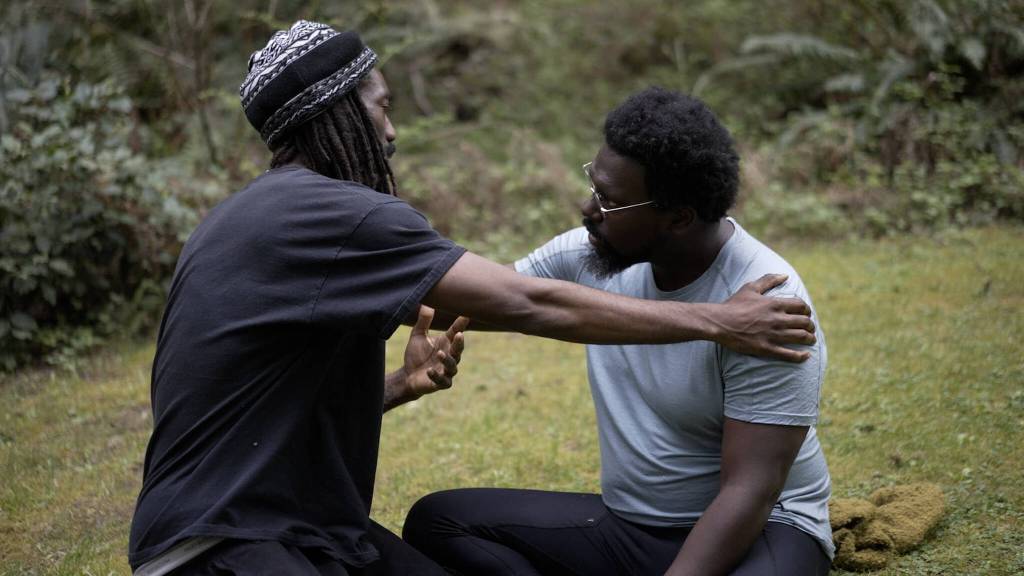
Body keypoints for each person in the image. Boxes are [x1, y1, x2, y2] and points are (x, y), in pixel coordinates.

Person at [127, 22, 818, 575]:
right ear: (340, 114)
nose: (392, 132)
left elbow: (261, 416)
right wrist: (718, 323)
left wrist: (398, 383)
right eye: (382, 106)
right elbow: (528, 300)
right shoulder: (334, 216)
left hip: (299, 528)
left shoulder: (250, 217)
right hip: (219, 544)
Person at [403, 88, 834, 575]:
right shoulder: (589, 254)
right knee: (440, 522)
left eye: (610, 201)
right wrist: (355, 284)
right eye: (594, 186)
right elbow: (472, 300)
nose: (588, 208)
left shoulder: (770, 308)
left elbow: (751, 489)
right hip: (635, 528)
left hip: (762, 530)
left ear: (678, 218)